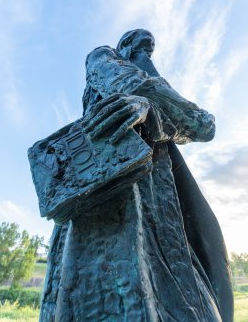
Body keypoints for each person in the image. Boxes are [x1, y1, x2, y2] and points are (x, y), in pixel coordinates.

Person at [40, 29, 233, 322]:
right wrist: (154, 103)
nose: (147, 53)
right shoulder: (103, 56)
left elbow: (203, 125)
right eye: (142, 45)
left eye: (151, 48)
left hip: (158, 198)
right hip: (107, 190)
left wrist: (154, 110)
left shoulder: (147, 81)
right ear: (125, 46)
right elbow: (148, 94)